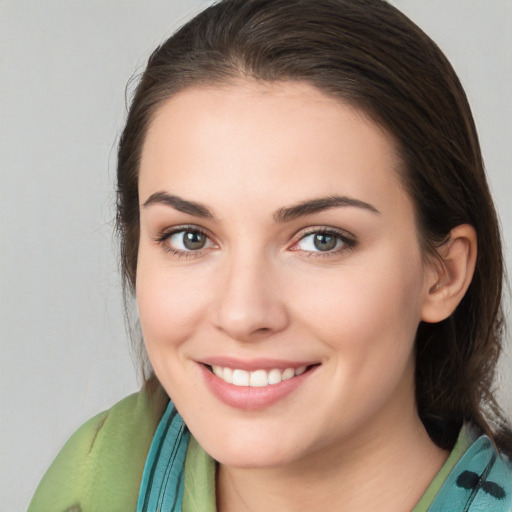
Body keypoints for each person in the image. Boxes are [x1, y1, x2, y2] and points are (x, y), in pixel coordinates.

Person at [28, 0, 512, 510]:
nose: (242, 314)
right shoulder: (98, 475)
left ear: (443, 275)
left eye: (322, 239)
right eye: (190, 237)